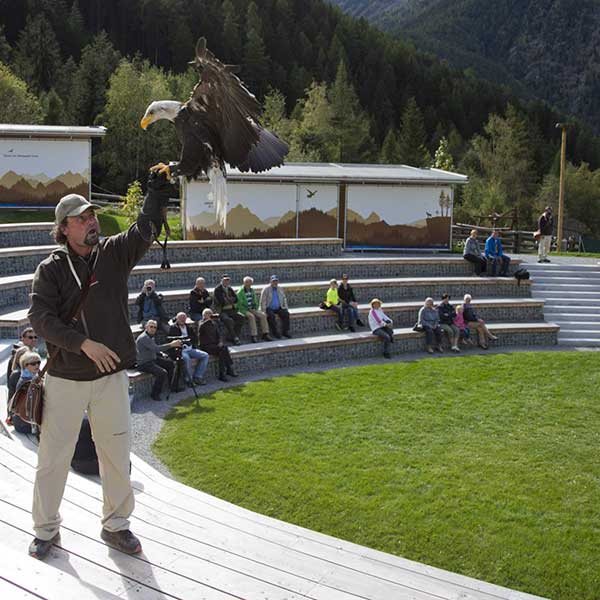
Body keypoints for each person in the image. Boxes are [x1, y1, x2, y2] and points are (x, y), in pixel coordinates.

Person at [27, 186, 160, 559]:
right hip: (67, 377)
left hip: (110, 378)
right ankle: (46, 530)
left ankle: (116, 526)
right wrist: (83, 344)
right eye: (82, 219)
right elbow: (40, 318)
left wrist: (155, 194)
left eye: (93, 217)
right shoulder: (51, 269)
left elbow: (144, 228)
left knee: (117, 454)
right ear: (63, 228)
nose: (91, 223)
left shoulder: (114, 253)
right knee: (53, 459)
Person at [136, 320, 183, 400]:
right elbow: (156, 348)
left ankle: (174, 387)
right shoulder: (144, 338)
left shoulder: (150, 336)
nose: (153, 329)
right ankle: (154, 394)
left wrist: (161, 353)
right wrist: (171, 344)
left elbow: (153, 348)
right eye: (151, 327)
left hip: (152, 359)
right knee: (162, 373)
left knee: (171, 364)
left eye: (155, 327)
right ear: (146, 327)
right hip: (144, 363)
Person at [168, 312, 209, 385]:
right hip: (181, 350)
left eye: (184, 318)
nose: (182, 320)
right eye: (181, 318)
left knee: (205, 355)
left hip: (190, 349)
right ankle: (188, 379)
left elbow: (195, 338)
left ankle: (198, 376)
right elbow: (170, 341)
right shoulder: (173, 328)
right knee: (187, 359)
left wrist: (189, 340)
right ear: (177, 319)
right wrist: (181, 342)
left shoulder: (188, 327)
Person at [7, 350, 42, 434]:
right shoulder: (26, 382)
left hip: (25, 421)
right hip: (24, 425)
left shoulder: (31, 377)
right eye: (33, 363)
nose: (37, 365)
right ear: (25, 366)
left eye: (38, 362)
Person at [198, 308, 237, 382]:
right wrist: (208, 320)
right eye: (208, 314)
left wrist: (220, 341)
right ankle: (228, 369)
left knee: (223, 350)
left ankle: (223, 373)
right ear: (205, 315)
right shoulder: (201, 323)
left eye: (210, 313)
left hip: (215, 345)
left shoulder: (214, 324)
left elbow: (219, 335)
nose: (210, 315)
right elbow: (201, 328)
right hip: (206, 346)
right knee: (223, 350)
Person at [236, 276, 272, 343]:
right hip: (243, 309)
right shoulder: (240, 292)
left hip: (252, 308)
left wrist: (255, 307)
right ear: (244, 283)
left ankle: (265, 333)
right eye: (247, 282)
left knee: (263, 315)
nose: (248, 284)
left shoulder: (252, 290)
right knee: (251, 317)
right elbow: (238, 304)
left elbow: (255, 301)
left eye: (250, 282)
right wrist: (247, 308)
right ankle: (254, 335)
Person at [213, 274, 244, 345]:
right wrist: (230, 299)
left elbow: (236, 299)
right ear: (222, 280)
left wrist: (228, 299)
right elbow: (221, 302)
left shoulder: (229, 288)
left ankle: (231, 336)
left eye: (228, 280)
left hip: (231, 310)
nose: (226, 282)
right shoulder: (217, 289)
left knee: (241, 317)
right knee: (229, 320)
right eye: (225, 280)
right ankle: (235, 338)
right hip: (222, 311)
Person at [260, 275, 291, 339]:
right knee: (271, 316)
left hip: (278, 307)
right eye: (273, 281)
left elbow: (284, 299)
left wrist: (286, 308)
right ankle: (275, 333)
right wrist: (263, 311)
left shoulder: (280, 288)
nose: (275, 282)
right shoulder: (266, 289)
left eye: (276, 281)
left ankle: (285, 332)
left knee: (286, 314)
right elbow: (263, 301)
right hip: (269, 307)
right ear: (270, 281)